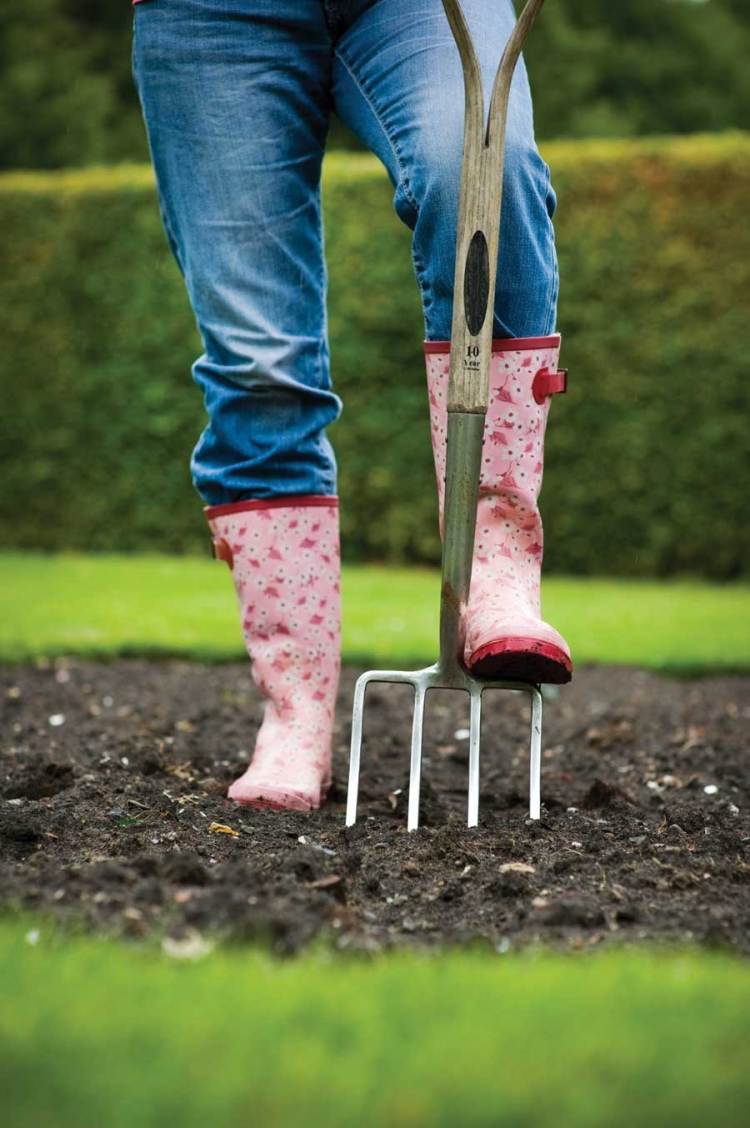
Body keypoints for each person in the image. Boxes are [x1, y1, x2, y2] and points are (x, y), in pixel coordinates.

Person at [132, 0, 571, 813]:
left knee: (487, 173)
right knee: (260, 357)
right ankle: (294, 710)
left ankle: (496, 567)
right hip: (212, 16)